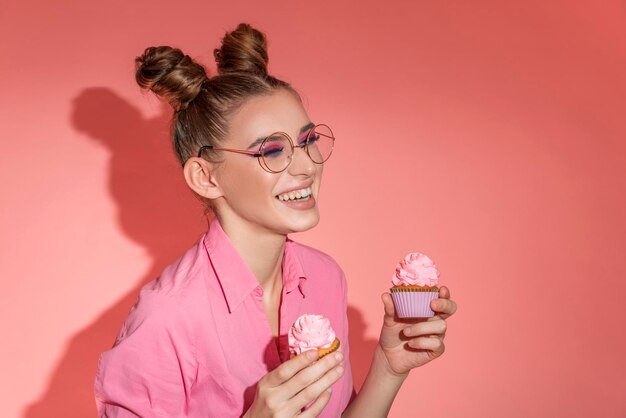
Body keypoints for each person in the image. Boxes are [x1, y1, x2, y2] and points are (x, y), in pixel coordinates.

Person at [94, 23, 457, 418]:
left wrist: (389, 366)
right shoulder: (166, 319)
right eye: (271, 150)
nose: (305, 166)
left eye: (307, 141)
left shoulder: (324, 278)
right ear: (206, 177)